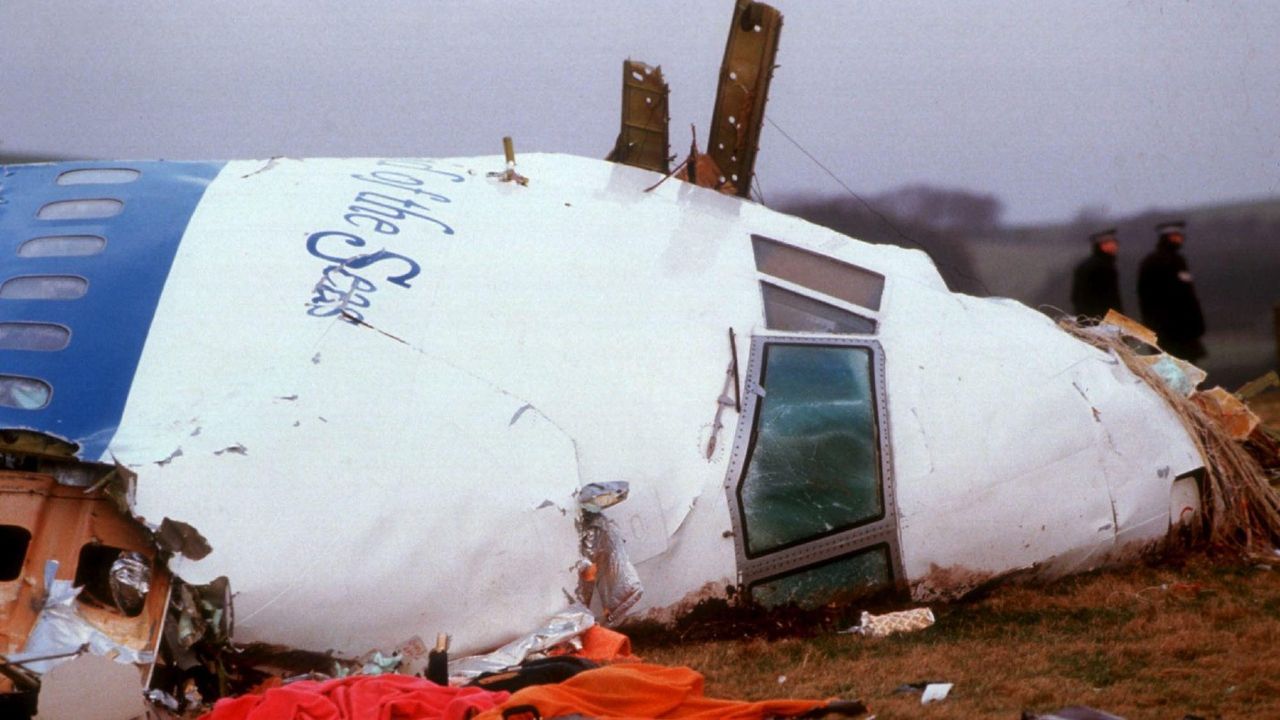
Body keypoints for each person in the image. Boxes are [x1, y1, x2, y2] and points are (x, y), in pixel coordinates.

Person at [1138, 220, 1206, 362]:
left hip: (1184, 330)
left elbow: (1188, 296)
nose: (1179, 239)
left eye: (1179, 235)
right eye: (1174, 235)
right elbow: (1148, 299)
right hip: (1168, 331)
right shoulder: (1154, 262)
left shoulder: (1178, 260)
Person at [1070, 228, 1123, 321]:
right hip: (1100, 319)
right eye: (1112, 243)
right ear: (1103, 245)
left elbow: (1075, 296)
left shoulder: (1087, 265)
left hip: (1086, 317)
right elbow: (1109, 298)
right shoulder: (1103, 267)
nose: (1115, 246)